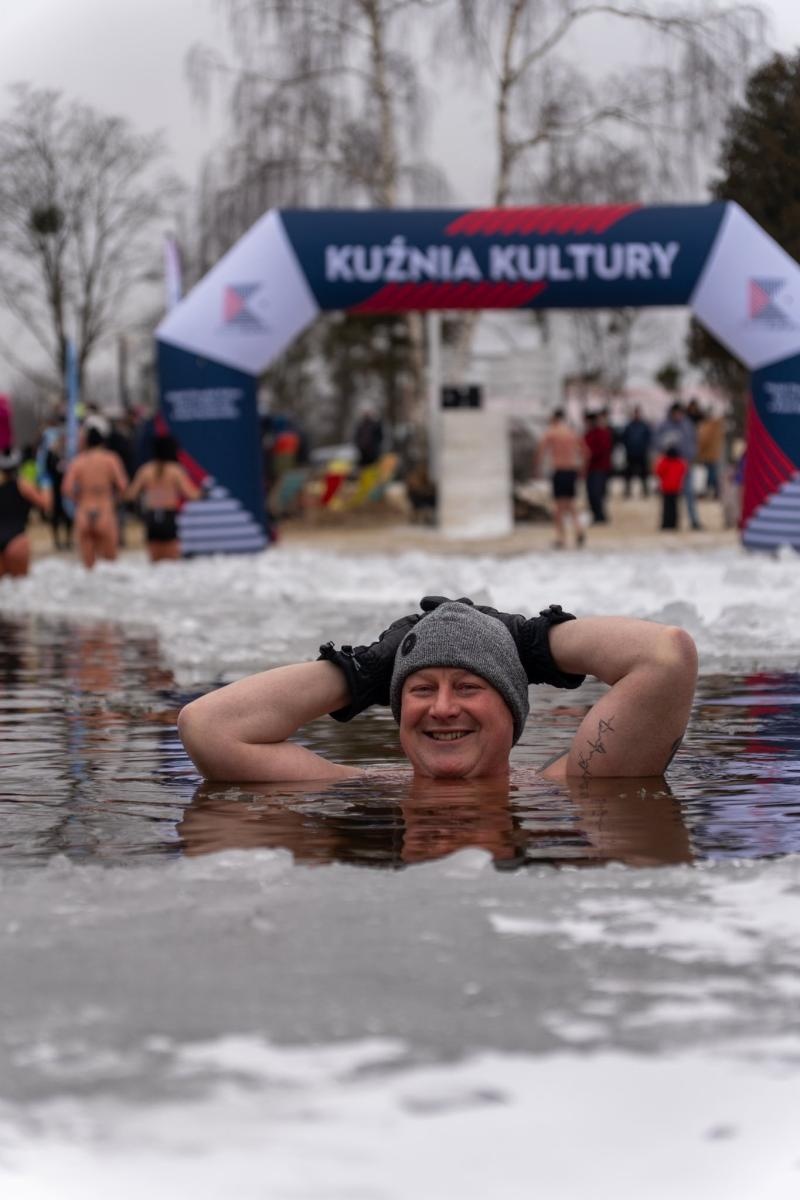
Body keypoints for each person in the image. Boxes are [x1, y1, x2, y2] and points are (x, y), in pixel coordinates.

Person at [178, 597, 697, 785]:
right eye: (421, 689)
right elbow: (208, 727)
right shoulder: (361, 791)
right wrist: (360, 672)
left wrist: (531, 643)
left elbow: (665, 657)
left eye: (469, 686)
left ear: (511, 709)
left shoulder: (567, 789)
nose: (443, 708)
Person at [125, 434, 201, 562]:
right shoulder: (175, 470)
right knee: (171, 567)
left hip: (152, 519)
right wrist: (203, 494)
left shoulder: (145, 470)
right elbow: (191, 495)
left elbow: (131, 495)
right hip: (168, 518)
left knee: (155, 567)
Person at [62, 426, 129, 569]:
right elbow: (123, 486)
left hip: (84, 510)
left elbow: (66, 488)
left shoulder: (78, 461)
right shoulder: (111, 459)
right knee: (110, 566)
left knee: (88, 569)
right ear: (102, 442)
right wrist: (116, 500)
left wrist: (78, 498)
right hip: (104, 508)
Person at [534, 409, 587, 549]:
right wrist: (582, 469)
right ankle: (579, 529)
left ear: (554, 418)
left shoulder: (552, 433)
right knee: (570, 504)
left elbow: (540, 451)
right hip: (571, 470)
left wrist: (537, 469)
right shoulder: (571, 433)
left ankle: (561, 538)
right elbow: (586, 452)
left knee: (558, 507)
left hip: (559, 470)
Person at [0, 448, 51, 578]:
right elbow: (45, 504)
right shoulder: (23, 485)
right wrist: (46, 485)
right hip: (17, 541)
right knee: (20, 589)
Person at [655, 402, 701, 530]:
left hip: (685, 465)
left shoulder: (687, 425)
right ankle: (669, 522)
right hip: (670, 467)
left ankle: (694, 521)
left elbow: (693, 442)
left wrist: (690, 458)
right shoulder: (664, 426)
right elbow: (657, 443)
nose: (678, 416)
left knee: (690, 494)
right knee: (670, 498)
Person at [583, 410, 613, 524]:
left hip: (600, 468)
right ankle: (596, 514)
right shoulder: (588, 434)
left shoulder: (602, 433)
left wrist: (590, 454)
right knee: (591, 493)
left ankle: (600, 516)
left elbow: (603, 450)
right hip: (590, 468)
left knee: (597, 493)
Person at [654, 443, 687, 530]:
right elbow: (684, 471)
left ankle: (666, 524)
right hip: (676, 488)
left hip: (666, 488)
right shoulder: (680, 462)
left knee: (666, 508)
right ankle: (674, 524)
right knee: (674, 507)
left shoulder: (665, 461)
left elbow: (658, 471)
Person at [621, 406, 652, 498]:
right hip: (631, 454)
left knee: (643, 474)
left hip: (642, 453)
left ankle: (645, 491)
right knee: (628, 474)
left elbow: (648, 438)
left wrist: (645, 448)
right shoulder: (629, 426)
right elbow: (624, 438)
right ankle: (627, 491)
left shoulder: (644, 426)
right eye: (635, 413)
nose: (636, 415)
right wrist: (628, 448)